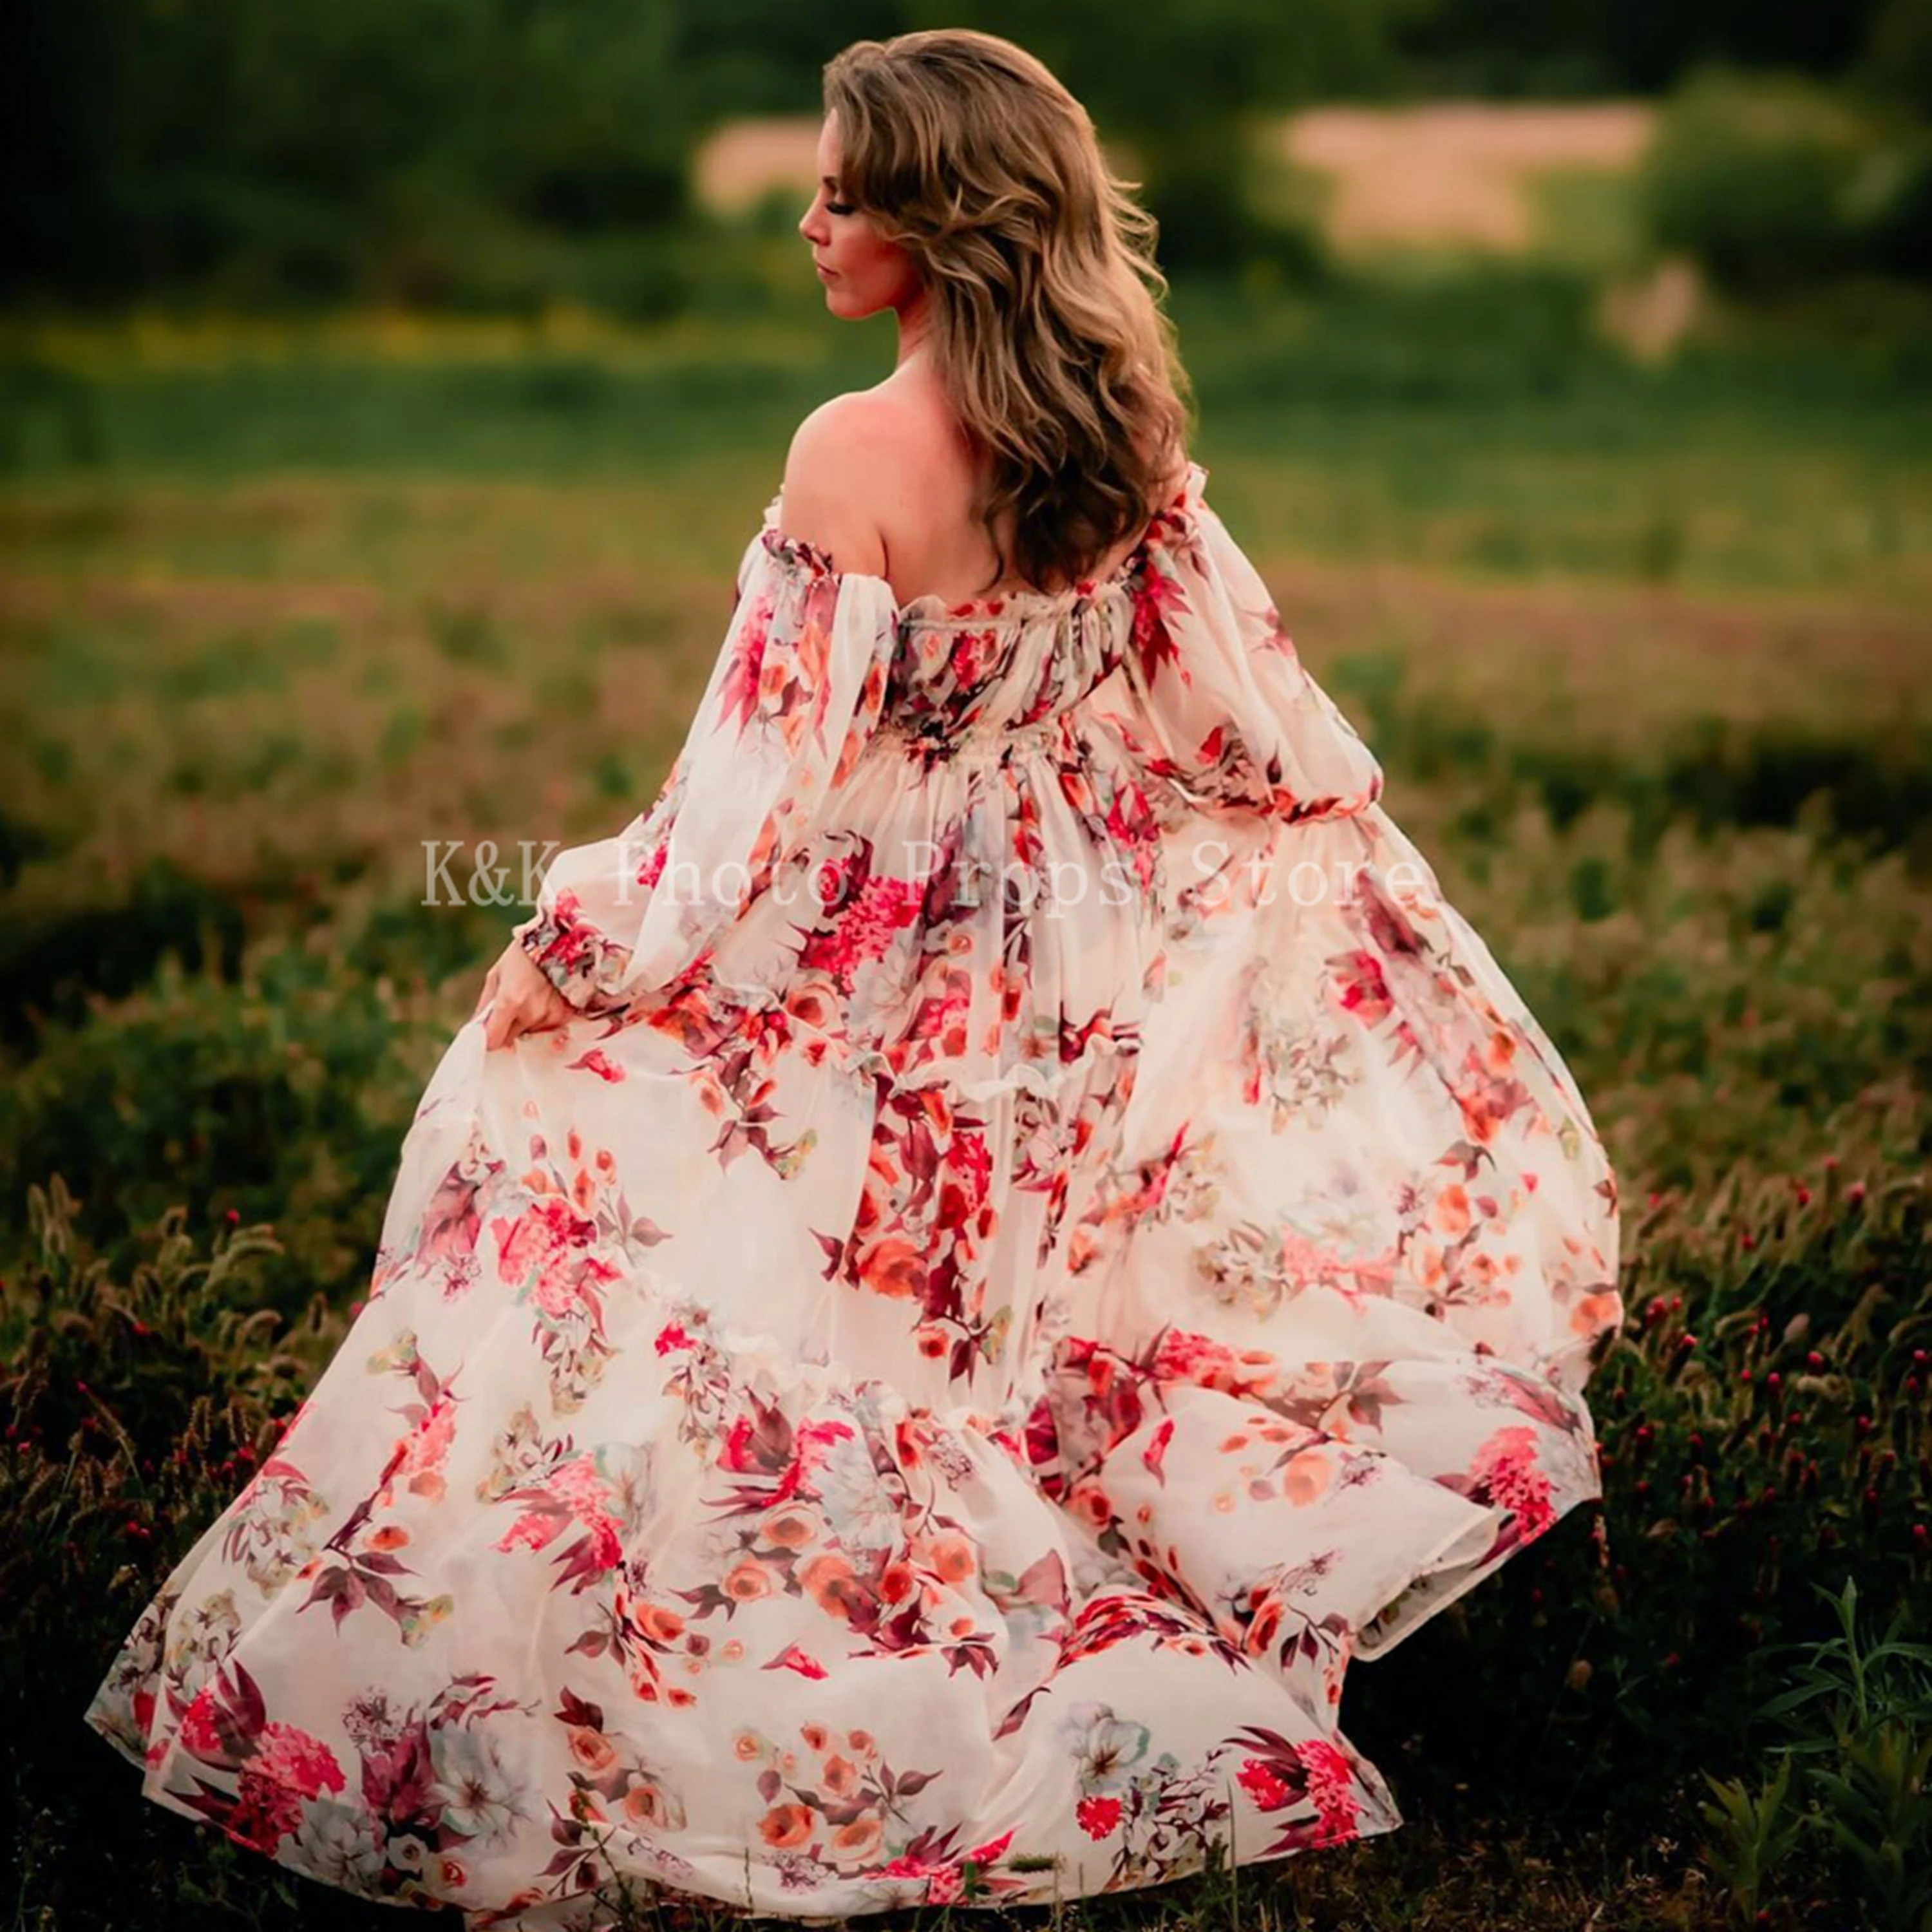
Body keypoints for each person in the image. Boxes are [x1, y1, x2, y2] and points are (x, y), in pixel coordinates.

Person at [83, 28, 1624, 1927]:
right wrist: (1338, 852)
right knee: (949, 1341)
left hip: (850, 961)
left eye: (846, 188)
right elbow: (1245, 716)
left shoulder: (852, 447)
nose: (811, 218)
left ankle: (736, 1691)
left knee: (604, 1226)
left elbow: (749, 801)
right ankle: (918, 1628)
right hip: (1040, 985)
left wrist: (568, 945)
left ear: (941, 216)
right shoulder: (1120, 433)